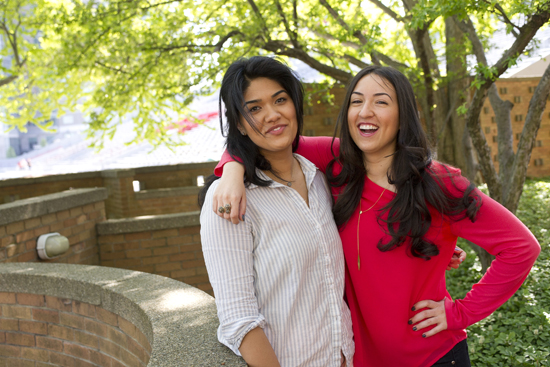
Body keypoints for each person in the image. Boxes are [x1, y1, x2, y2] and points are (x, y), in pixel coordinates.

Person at [213, 65, 541, 366]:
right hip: (362, 359)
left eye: (381, 102)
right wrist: (230, 170)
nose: (365, 111)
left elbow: (521, 248)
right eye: (357, 101)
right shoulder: (334, 161)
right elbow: (267, 136)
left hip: (434, 357)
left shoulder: (439, 183)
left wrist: (461, 312)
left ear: (403, 115)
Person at [198, 56, 355, 367]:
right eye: (254, 108)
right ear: (239, 124)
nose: (272, 115)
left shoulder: (319, 178)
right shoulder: (230, 198)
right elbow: (238, 320)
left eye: (280, 100)